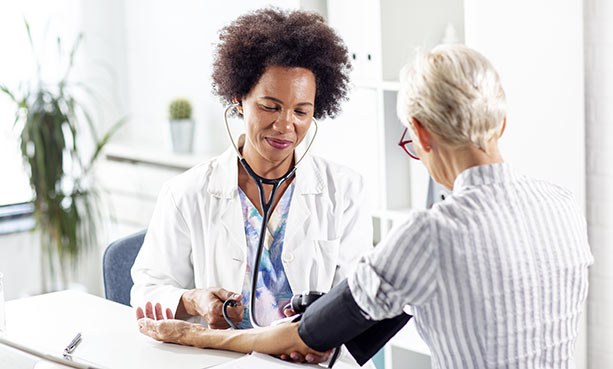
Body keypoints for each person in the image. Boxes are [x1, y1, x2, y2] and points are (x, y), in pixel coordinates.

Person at [136, 44, 593, 368]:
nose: (286, 124)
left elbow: (313, 333)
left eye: (301, 111)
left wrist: (203, 336)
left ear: (421, 132)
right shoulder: (563, 205)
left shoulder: (429, 233)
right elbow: (372, 312)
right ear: (503, 122)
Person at [130, 7, 372, 332]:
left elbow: (358, 298)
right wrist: (193, 300)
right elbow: (147, 288)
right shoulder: (186, 193)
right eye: (269, 106)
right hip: (225, 357)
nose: (285, 125)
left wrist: (325, 336)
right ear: (239, 99)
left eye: (301, 111)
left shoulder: (344, 190)